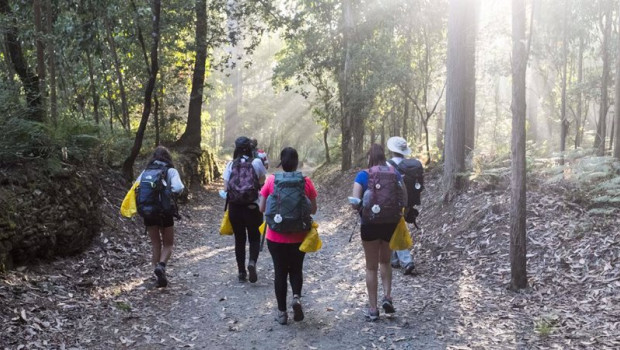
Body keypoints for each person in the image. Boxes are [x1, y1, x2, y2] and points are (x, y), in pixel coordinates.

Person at [259, 147, 318, 325]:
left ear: (281, 163)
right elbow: (313, 209)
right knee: (296, 268)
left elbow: (262, 208)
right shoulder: (306, 181)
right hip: (299, 235)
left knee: (280, 272)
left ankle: (282, 313)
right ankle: (296, 298)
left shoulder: (271, 180)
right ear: (296, 162)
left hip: (275, 236)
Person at [351, 143, 405, 321]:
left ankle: (373, 309)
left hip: (369, 225)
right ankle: (388, 297)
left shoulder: (363, 175)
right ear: (384, 157)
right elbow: (404, 198)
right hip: (390, 224)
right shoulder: (394, 173)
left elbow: (354, 203)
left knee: (371, 266)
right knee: (386, 261)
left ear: (370, 157)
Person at [135, 146, 185, 288]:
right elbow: (178, 187)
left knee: (155, 243)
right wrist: (169, 193)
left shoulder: (146, 171)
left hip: (148, 211)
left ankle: (156, 273)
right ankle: (161, 266)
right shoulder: (170, 170)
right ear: (167, 157)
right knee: (168, 244)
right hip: (165, 211)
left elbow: (136, 187)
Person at [223, 136, 267, 283]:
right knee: (254, 237)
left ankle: (241, 272)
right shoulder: (256, 163)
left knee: (239, 239)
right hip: (252, 206)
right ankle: (252, 262)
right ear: (250, 148)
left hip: (235, 208)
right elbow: (262, 182)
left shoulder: (230, 164)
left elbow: (225, 188)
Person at [386, 136, 416, 275]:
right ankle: (394, 260)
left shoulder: (388, 165)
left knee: (396, 230)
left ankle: (407, 261)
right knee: (395, 229)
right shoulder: (410, 164)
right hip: (408, 202)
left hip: (393, 203)